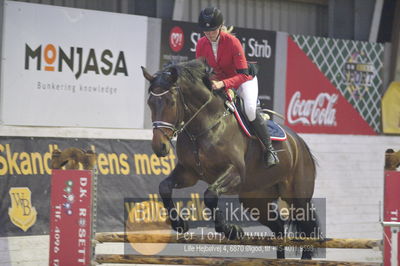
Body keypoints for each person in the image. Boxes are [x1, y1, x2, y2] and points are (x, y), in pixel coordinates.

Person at [196, 6, 279, 168]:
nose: (209, 34)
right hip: (221, 80)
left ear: (220, 27)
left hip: (243, 80)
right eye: (206, 32)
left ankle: (270, 150)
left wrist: (223, 84)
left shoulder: (232, 42)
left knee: (249, 109)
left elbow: (243, 74)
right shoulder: (201, 43)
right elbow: (201, 70)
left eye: (213, 31)